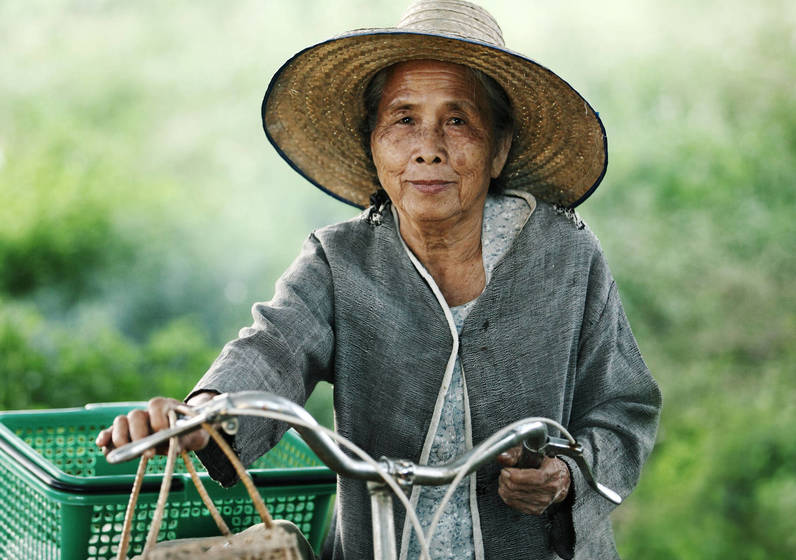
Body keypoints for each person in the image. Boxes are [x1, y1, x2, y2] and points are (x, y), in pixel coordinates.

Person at [96, 1, 661, 558]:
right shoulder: (338, 259)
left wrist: (564, 475)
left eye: (458, 121)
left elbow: (624, 407)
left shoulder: (565, 255)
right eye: (404, 119)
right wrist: (203, 416)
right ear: (374, 143)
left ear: (499, 149)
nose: (429, 149)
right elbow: (273, 348)